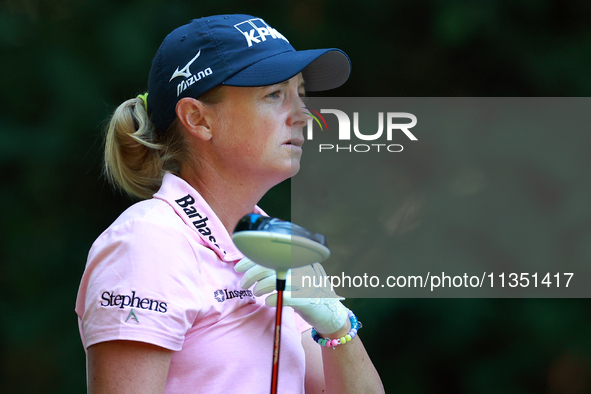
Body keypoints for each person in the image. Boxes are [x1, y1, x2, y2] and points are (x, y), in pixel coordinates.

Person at [75, 14, 384, 394]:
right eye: (275, 94)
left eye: (300, 93)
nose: (304, 115)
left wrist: (337, 325)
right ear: (198, 119)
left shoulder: (274, 242)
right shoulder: (146, 243)